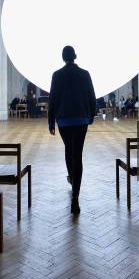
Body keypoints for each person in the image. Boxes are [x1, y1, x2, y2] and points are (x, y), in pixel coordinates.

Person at [49, 45, 96, 214]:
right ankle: (75, 197)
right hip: (81, 119)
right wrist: (91, 115)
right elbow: (92, 95)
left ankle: (71, 178)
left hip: (63, 121)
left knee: (69, 150)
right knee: (78, 155)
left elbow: (52, 99)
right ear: (75, 56)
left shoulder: (57, 75)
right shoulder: (85, 74)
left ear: (63, 57)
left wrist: (50, 122)